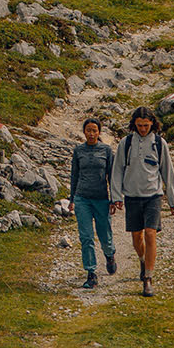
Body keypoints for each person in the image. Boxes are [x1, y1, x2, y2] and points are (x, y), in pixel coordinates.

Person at [110, 106, 174, 297]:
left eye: (146, 125)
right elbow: (117, 170)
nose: (142, 129)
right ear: (134, 124)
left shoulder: (159, 143)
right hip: (132, 196)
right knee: (136, 236)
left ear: (152, 124)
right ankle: (142, 260)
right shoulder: (126, 143)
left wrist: (173, 201)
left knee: (150, 233)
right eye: (139, 125)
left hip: (153, 196)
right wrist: (116, 196)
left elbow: (168, 172)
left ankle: (148, 278)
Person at [67, 117, 118, 289]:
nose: (91, 133)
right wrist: (72, 199)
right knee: (86, 237)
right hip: (82, 199)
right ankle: (91, 273)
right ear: (84, 132)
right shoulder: (78, 151)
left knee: (105, 235)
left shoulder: (106, 150)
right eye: (88, 130)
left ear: (99, 132)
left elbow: (112, 176)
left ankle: (110, 255)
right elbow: (74, 175)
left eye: (94, 130)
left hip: (101, 199)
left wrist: (113, 199)